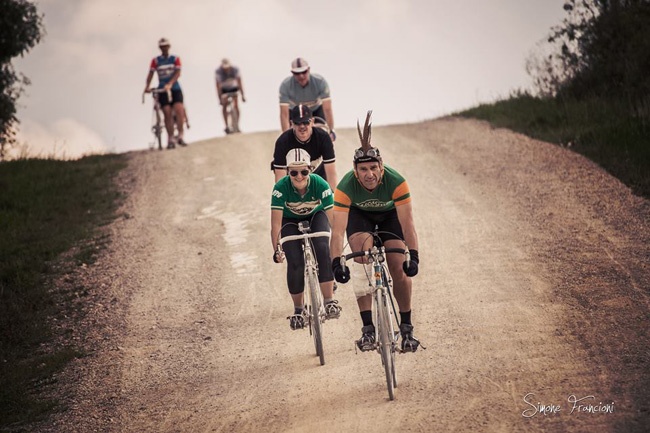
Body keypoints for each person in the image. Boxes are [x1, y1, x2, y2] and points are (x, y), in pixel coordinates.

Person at [329, 111, 421, 353]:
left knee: (398, 265)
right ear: (355, 171)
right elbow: (337, 231)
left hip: (390, 218)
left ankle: (407, 328)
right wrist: (336, 263)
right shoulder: (345, 187)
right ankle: (368, 328)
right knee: (360, 256)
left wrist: (414, 255)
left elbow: (407, 222)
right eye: (363, 170)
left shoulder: (396, 182)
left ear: (381, 166)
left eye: (373, 168)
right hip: (361, 218)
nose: (369, 174)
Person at [271, 148, 342, 329]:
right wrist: (277, 249)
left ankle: (329, 301)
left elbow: (334, 221)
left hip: (316, 216)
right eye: (294, 172)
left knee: (323, 249)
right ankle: (298, 309)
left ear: (310, 170)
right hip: (290, 220)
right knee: (295, 262)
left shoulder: (321, 184)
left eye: (304, 171)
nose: (299, 176)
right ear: (287, 172)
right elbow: (276, 226)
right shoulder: (280, 188)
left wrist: (338, 247)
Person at [272, 104, 337, 190]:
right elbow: (280, 179)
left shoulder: (323, 138)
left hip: (319, 176)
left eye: (306, 122)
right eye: (297, 123)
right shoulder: (283, 142)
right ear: (292, 124)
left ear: (312, 122)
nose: (302, 126)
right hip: (293, 181)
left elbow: (331, 173)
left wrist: (333, 199)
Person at [279, 57, 336, 142]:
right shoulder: (285, 85)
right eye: (297, 73)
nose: (301, 76)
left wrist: (331, 130)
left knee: (324, 135)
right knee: (292, 137)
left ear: (308, 70)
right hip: (295, 112)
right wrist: (286, 135)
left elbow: (327, 109)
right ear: (292, 73)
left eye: (304, 72)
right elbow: (284, 114)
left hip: (315, 110)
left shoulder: (320, 82)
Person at [144, 38, 187, 148]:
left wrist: (171, 84)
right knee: (166, 112)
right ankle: (171, 138)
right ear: (160, 48)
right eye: (162, 47)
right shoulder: (156, 61)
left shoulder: (175, 59)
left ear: (169, 46)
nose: (164, 48)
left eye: (166, 46)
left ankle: (181, 135)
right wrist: (147, 86)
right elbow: (151, 73)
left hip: (175, 88)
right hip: (162, 89)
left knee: (179, 109)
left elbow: (178, 72)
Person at [215, 58, 246, 134]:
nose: (226, 70)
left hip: (233, 88)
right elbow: (218, 86)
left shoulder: (235, 70)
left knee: (236, 105)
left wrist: (242, 95)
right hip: (224, 90)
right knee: (224, 106)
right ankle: (226, 126)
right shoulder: (218, 71)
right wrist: (220, 98)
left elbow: (239, 82)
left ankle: (237, 124)